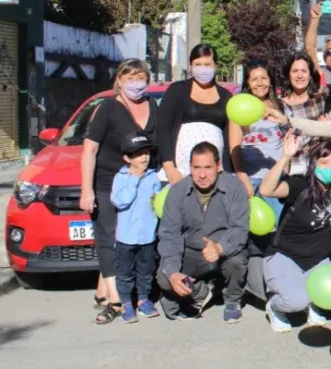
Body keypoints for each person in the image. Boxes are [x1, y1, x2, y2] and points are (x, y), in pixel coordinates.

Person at [81, 58, 158, 324]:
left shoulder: (152, 105)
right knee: (110, 239)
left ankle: (102, 293)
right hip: (108, 182)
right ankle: (117, 301)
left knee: (129, 238)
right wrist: (86, 190)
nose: (136, 83)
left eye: (141, 78)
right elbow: (89, 149)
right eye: (130, 78)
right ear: (119, 80)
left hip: (141, 183)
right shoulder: (108, 108)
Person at [257, 136, 331, 331]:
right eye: (324, 162)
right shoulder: (300, 184)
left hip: (317, 260)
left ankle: (313, 303)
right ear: (314, 163)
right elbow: (266, 190)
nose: (329, 168)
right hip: (284, 255)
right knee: (294, 301)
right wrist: (285, 157)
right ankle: (274, 306)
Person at [157, 142, 249, 324]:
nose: (202, 175)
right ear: (190, 167)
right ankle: (202, 292)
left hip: (223, 250)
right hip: (191, 252)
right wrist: (173, 272)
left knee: (237, 261)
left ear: (219, 166)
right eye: (196, 168)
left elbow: (240, 229)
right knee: (165, 277)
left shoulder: (235, 187)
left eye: (208, 167)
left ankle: (232, 300)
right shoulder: (177, 192)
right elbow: (169, 235)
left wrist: (220, 248)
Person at [229, 62, 286, 301]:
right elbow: (234, 148)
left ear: (270, 81)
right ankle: (254, 288)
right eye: (254, 79)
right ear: (247, 83)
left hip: (275, 182)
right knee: (254, 237)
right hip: (251, 181)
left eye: (264, 78)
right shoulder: (241, 108)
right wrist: (243, 178)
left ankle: (277, 284)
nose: (260, 83)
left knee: (277, 234)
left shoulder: (279, 107)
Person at [158, 44, 233, 183]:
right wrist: (170, 169)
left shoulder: (226, 96)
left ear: (216, 65)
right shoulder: (177, 90)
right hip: (178, 172)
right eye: (198, 64)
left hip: (215, 174)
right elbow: (163, 130)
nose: (202, 69)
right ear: (191, 65)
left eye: (207, 64)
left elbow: (230, 136)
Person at [110, 133, 162, 324]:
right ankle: (126, 303)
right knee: (125, 272)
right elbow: (119, 201)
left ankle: (143, 300)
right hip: (126, 237)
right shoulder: (121, 177)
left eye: (146, 153)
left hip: (147, 236)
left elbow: (157, 202)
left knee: (146, 271)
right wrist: (134, 180)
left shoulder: (153, 176)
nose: (144, 157)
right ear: (127, 158)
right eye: (139, 154)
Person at [279, 52, 325, 176]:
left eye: (304, 71)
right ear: (288, 75)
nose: (299, 76)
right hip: (290, 171)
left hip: (317, 170)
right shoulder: (279, 106)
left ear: (310, 75)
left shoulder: (321, 100)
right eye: (295, 71)